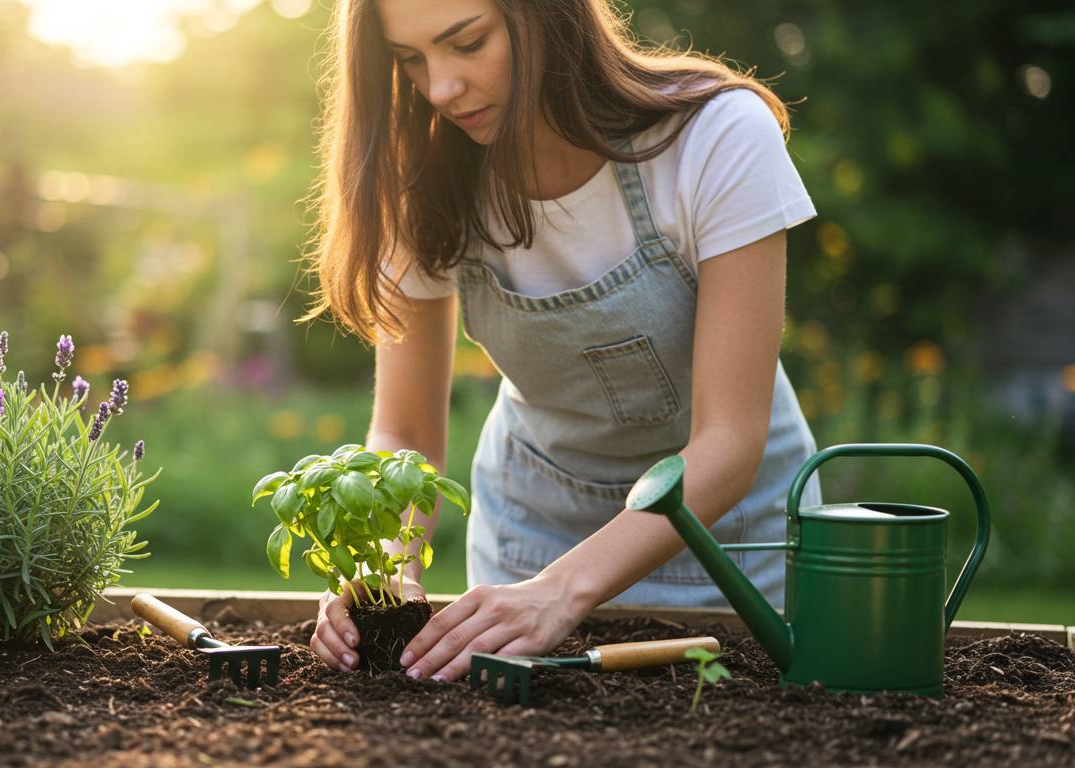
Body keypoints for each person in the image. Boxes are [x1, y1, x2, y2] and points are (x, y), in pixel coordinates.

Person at [299, 0, 822, 682]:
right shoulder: (423, 175)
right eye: (410, 60)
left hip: (735, 545)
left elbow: (729, 441)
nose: (440, 87)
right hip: (533, 542)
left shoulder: (715, 135)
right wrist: (383, 575)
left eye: (468, 42)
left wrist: (564, 589)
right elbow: (404, 432)